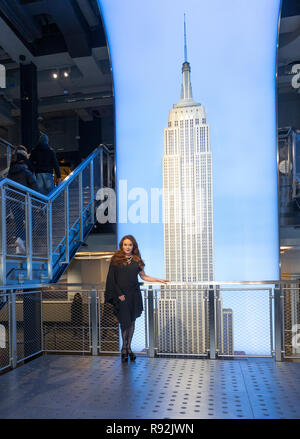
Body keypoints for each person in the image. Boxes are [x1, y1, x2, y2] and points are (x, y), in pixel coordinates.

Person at [105, 235, 168, 362]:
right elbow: (112, 279)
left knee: (132, 322)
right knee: (124, 322)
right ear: (121, 246)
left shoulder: (137, 260)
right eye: (125, 244)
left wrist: (159, 280)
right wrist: (119, 294)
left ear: (133, 246)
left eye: (130, 245)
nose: (127, 247)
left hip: (134, 295)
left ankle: (128, 348)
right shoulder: (115, 260)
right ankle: (124, 348)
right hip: (121, 296)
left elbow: (144, 277)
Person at [7, 149, 39, 254]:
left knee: (19, 223)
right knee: (31, 223)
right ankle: (21, 240)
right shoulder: (25, 171)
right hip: (25, 200)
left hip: (12, 200)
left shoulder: (10, 173)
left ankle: (18, 248)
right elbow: (34, 185)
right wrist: (37, 199)